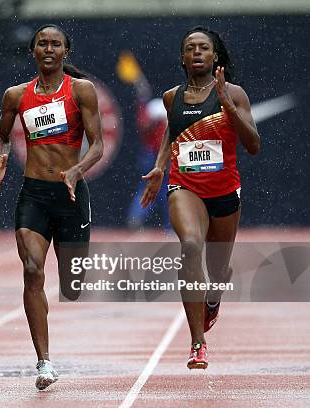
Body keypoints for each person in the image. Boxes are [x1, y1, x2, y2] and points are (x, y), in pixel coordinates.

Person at [0, 24, 103, 390]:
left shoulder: (81, 90)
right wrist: (1, 158)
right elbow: (2, 135)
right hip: (33, 194)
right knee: (32, 268)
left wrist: (77, 170)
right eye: (42, 43)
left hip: (70, 195)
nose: (48, 48)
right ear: (33, 51)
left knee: (72, 284)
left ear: (66, 52)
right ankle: (44, 362)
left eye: (55, 44)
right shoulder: (16, 96)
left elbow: (97, 145)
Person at [141, 26, 260, 369]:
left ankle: (214, 297)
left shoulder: (234, 93)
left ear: (215, 56)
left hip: (224, 191)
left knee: (218, 272)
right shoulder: (171, 97)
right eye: (190, 48)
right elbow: (171, 134)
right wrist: (161, 167)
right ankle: (197, 343)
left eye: (203, 48)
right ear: (182, 57)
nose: (196, 53)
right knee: (191, 246)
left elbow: (253, 146)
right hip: (185, 186)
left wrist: (228, 107)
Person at [116, 51, 169, 229]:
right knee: (162, 190)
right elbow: (143, 93)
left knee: (158, 190)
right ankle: (165, 224)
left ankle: (143, 219)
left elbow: (143, 92)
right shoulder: (154, 110)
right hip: (155, 156)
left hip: (152, 156)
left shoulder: (150, 109)